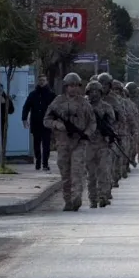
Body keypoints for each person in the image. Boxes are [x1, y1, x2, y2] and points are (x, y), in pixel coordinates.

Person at [43, 73, 96, 211]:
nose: (73, 89)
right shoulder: (57, 102)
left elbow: (92, 122)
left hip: (78, 143)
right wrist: (56, 124)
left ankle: (76, 197)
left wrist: (86, 134)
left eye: (76, 86)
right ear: (66, 87)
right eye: (70, 86)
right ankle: (68, 201)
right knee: (65, 174)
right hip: (63, 143)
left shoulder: (84, 103)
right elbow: (46, 120)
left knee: (77, 171)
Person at [85, 81, 115, 208]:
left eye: (97, 91)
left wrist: (108, 133)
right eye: (92, 91)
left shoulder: (107, 107)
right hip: (88, 144)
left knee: (104, 170)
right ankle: (93, 198)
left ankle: (103, 196)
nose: (94, 94)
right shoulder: (84, 107)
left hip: (103, 143)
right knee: (91, 173)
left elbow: (112, 122)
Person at [97, 73, 130, 189]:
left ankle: (108, 185)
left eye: (106, 84)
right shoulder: (93, 98)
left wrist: (117, 131)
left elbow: (121, 117)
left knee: (109, 161)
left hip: (111, 134)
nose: (103, 86)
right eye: (101, 84)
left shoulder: (114, 100)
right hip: (95, 136)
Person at [22, 75, 56, 171]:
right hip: (36, 122)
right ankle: (38, 160)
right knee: (36, 143)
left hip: (47, 123)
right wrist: (24, 118)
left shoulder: (51, 94)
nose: (42, 82)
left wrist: (56, 120)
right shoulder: (33, 94)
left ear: (46, 81)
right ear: (38, 81)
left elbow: (56, 108)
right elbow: (26, 106)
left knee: (46, 144)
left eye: (43, 80)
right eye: (40, 80)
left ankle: (45, 163)